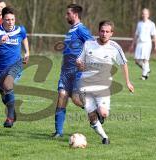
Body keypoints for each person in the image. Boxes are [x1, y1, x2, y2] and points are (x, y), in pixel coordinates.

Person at [76, 20, 134, 144]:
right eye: (102, 31)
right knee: (92, 117)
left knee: (104, 113)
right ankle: (104, 137)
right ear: (99, 31)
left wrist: (128, 82)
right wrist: (79, 64)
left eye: (107, 32)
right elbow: (79, 63)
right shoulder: (88, 44)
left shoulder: (115, 47)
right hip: (86, 84)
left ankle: (99, 113)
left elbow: (124, 64)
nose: (104, 34)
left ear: (111, 33)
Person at [0, 6, 30, 128]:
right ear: (2, 19)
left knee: (8, 85)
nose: (10, 22)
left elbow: (24, 38)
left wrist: (27, 52)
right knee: (4, 97)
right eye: (8, 20)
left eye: (13, 19)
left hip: (16, 65)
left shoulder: (20, 30)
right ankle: (12, 112)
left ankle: (9, 118)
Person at [52, 4, 93, 138]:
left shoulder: (81, 29)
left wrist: (85, 62)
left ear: (75, 14)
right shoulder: (71, 30)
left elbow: (92, 45)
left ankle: (94, 110)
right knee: (61, 96)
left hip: (77, 71)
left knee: (76, 99)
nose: (66, 16)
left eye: (68, 13)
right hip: (65, 71)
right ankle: (58, 132)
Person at [130, 8, 156, 80]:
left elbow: (154, 35)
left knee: (145, 60)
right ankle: (147, 70)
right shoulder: (139, 24)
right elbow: (136, 35)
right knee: (136, 61)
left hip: (147, 44)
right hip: (139, 43)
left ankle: (144, 76)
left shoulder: (151, 24)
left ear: (148, 15)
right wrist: (132, 45)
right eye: (143, 13)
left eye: (145, 14)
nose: (144, 15)